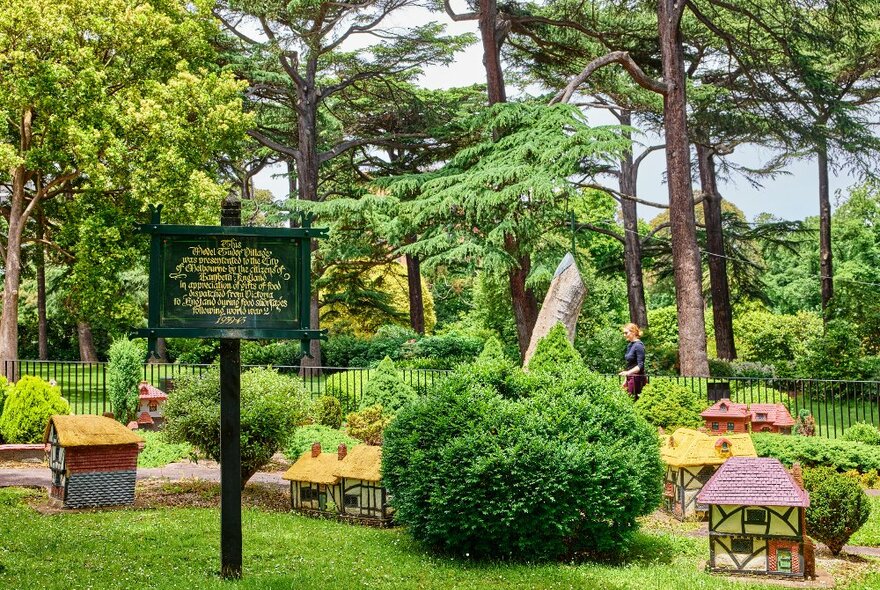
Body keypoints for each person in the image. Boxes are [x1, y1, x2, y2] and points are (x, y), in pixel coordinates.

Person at [619, 323, 647, 400]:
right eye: (623, 333)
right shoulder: (630, 345)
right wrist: (625, 379)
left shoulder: (638, 346)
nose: (624, 335)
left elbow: (640, 366)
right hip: (630, 378)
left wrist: (628, 373)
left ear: (633, 332)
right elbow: (630, 365)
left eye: (626, 333)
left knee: (633, 401)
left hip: (637, 379)